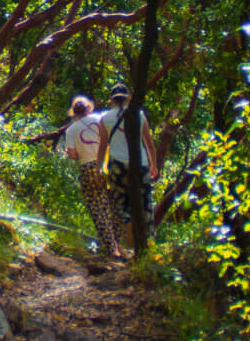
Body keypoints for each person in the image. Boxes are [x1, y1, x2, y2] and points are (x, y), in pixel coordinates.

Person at [29, 94, 123, 256]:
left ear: (74, 112)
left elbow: (72, 154)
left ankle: (111, 248)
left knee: (98, 207)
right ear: (89, 108)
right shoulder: (100, 118)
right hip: (109, 164)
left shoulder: (71, 130)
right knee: (116, 204)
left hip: (88, 168)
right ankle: (118, 243)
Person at [97, 84, 160, 255]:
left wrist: (98, 168)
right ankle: (148, 250)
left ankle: (132, 249)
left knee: (124, 208)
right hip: (140, 164)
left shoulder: (104, 118)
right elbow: (149, 143)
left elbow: (103, 145)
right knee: (145, 204)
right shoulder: (139, 115)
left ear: (112, 99)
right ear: (128, 98)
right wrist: (154, 165)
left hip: (117, 165)